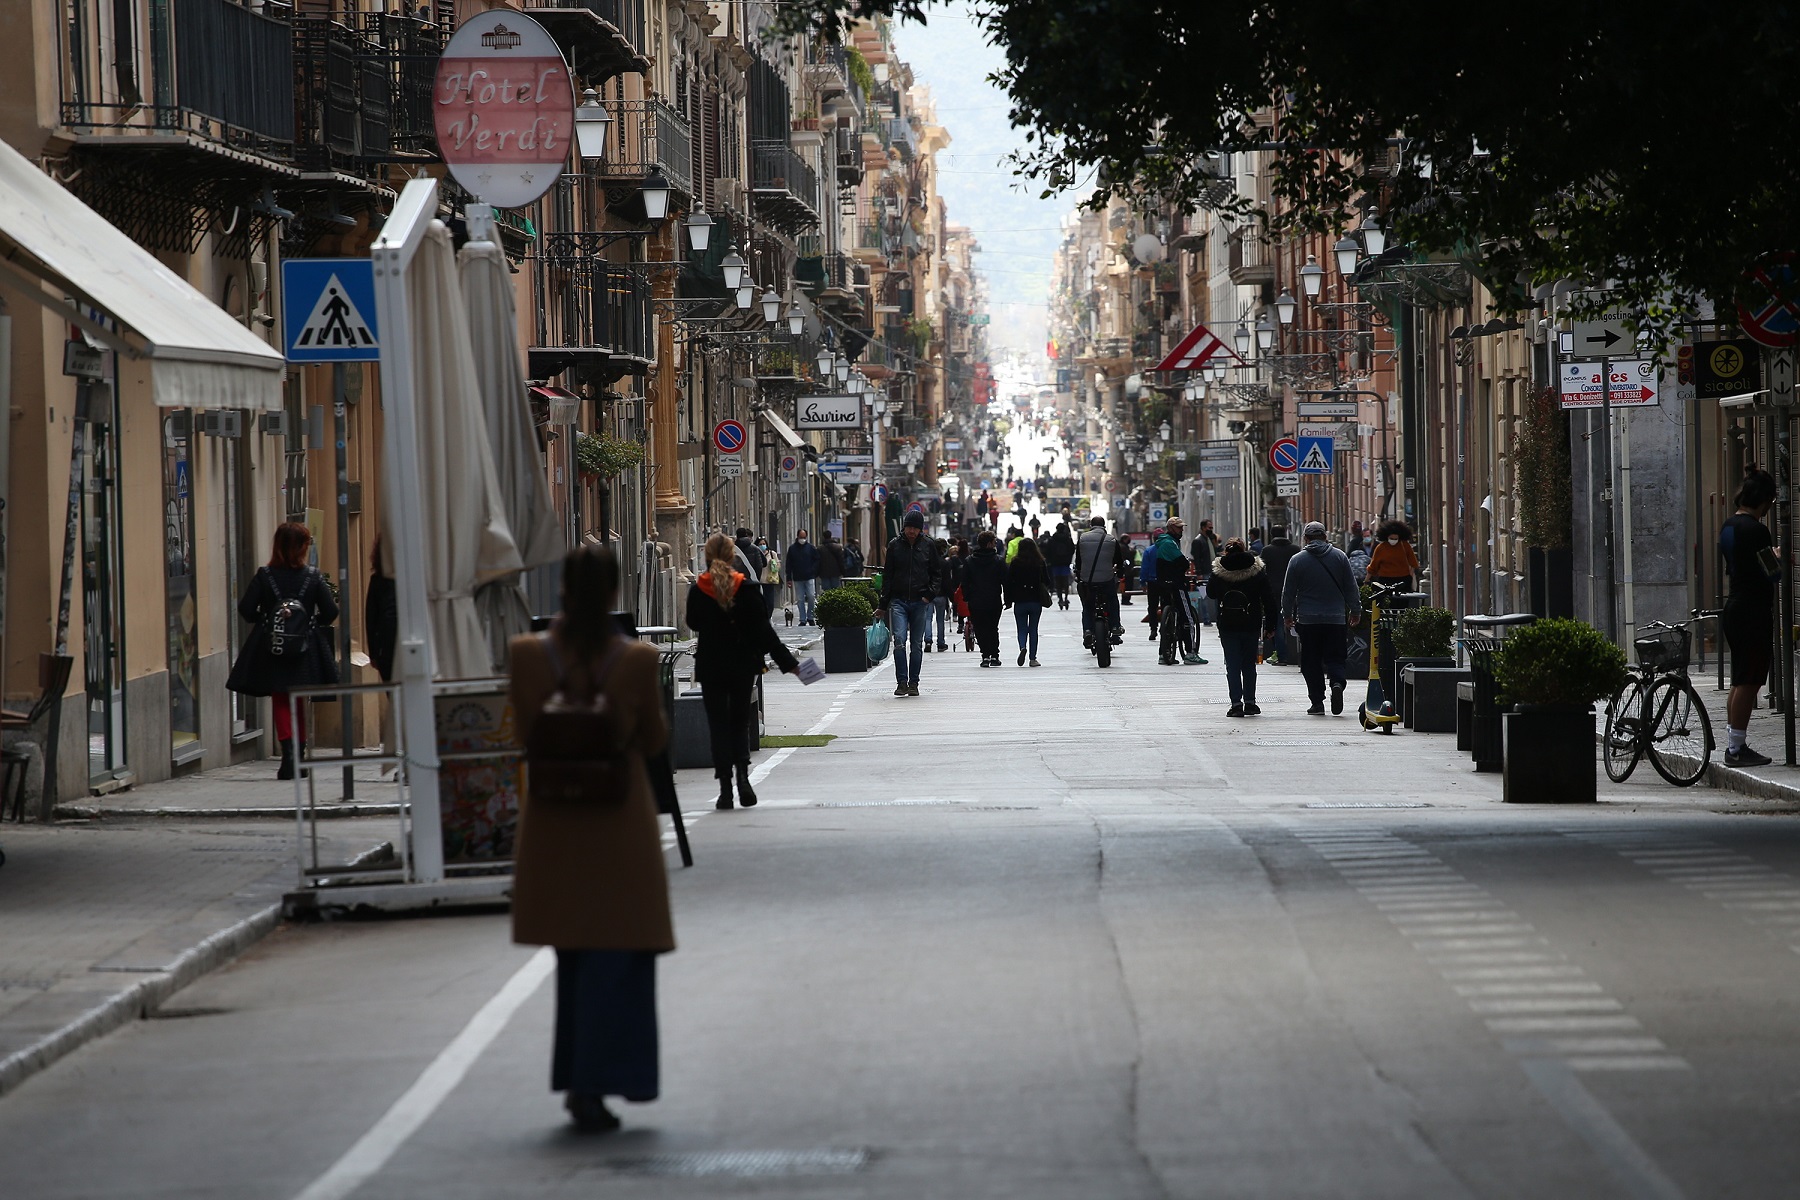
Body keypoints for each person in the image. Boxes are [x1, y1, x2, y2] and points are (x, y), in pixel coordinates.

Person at [507, 545, 672, 1134]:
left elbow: (526, 731)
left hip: (552, 822)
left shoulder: (526, 656)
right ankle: (599, 1082)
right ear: (612, 594)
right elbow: (654, 741)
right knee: (619, 957)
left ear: (561, 589)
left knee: (574, 956)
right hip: (617, 821)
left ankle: (578, 1078)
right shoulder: (636, 659)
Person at [686, 533, 798, 809]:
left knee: (718, 726)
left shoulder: (699, 588)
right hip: (743, 664)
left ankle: (725, 790)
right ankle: (744, 781)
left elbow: (693, 622)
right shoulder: (747, 588)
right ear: (732, 556)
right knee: (739, 724)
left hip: (711, 666)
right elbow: (764, 632)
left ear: (707, 556)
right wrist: (791, 664)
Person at [226, 522, 340, 780]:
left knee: (280, 699)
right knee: (299, 699)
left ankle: (287, 755)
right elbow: (331, 612)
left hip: (273, 647)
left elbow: (245, 609)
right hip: (304, 648)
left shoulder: (265, 575)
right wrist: (309, 625)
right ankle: (299, 755)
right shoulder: (312, 576)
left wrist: (268, 620)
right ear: (300, 547)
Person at [1720, 469, 1780, 768]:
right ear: (1764, 501)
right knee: (1751, 680)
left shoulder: (1728, 525)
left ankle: (1734, 743)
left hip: (1734, 606)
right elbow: (1773, 572)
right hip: (1753, 610)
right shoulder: (1757, 530)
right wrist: (1778, 557)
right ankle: (1736, 749)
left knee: (1740, 678)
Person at [1281, 521, 1363, 715]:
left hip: (1308, 620)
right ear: (1326, 537)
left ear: (1306, 539)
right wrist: (1356, 610)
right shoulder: (1340, 557)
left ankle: (1317, 702)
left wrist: (1287, 615)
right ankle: (1336, 683)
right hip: (1335, 619)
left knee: (1311, 661)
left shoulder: (1297, 560)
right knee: (1336, 657)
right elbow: (1351, 587)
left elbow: (1288, 592)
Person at [1207, 538, 1280, 717]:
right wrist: (1270, 625)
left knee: (1232, 665)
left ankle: (1236, 704)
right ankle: (1250, 702)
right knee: (1248, 664)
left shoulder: (1219, 570)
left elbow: (1210, 592)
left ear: (1226, 551)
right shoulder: (1256, 570)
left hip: (1227, 624)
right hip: (1251, 623)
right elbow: (1269, 599)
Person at [881, 510, 946, 695]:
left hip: (920, 601)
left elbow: (936, 573)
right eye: (909, 527)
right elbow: (888, 576)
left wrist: (929, 595)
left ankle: (913, 683)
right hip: (899, 601)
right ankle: (901, 682)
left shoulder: (928, 546)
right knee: (899, 641)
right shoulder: (894, 545)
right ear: (904, 527)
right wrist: (882, 605)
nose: (911, 531)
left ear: (920, 529)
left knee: (916, 644)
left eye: (915, 528)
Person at [1074, 516, 1124, 651]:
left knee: (1088, 606)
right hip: (1106, 579)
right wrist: (1120, 573)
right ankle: (1115, 626)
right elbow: (1119, 561)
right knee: (1112, 600)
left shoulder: (1082, 539)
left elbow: (1078, 561)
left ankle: (1088, 630)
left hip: (1088, 580)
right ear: (1104, 526)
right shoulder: (1111, 539)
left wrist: (1079, 575)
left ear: (1091, 525)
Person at [1005, 533, 1051, 667]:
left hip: (1020, 600)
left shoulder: (1015, 562)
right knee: (1034, 629)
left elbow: (1008, 582)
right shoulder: (1040, 562)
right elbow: (1047, 581)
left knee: (1021, 628)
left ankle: (1022, 647)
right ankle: (1032, 658)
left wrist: (1008, 600)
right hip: (1035, 599)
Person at [962, 529, 1006, 666]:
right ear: (989, 544)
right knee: (993, 627)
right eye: (994, 542)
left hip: (976, 601)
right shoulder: (998, 561)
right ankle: (994, 655)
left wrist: (967, 597)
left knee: (980, 628)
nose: (995, 545)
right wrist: (1009, 599)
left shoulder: (969, 561)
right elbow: (1006, 580)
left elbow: (965, 582)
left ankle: (985, 655)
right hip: (994, 600)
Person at [1259, 525, 1301, 665]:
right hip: (1294, 590)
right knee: (1297, 621)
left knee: (1278, 623)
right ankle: (1300, 654)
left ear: (1272, 535)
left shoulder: (1267, 551)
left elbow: (1261, 571)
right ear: (1285, 533)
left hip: (1274, 592)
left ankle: (1282, 656)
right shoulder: (1295, 550)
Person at [1364, 520, 1420, 589]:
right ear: (1387, 537)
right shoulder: (1381, 548)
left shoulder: (1405, 546)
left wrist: (1411, 575)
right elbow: (1373, 567)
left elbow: (1413, 563)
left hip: (1403, 581)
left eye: (1396, 539)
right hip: (1385, 581)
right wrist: (1366, 581)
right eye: (1391, 538)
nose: (1393, 540)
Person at [785, 530, 822, 625]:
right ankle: (802, 619)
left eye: (804, 537)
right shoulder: (792, 549)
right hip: (797, 577)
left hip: (809, 576)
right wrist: (789, 578)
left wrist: (813, 570)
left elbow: (817, 560)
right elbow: (788, 564)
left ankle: (810, 616)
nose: (802, 539)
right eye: (801, 537)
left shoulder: (811, 548)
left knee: (811, 596)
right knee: (800, 599)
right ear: (797, 536)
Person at [733, 529, 770, 614]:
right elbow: (762, 563)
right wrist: (756, 578)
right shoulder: (754, 548)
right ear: (746, 535)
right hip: (752, 581)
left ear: (737, 536)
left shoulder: (733, 549)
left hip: (737, 583)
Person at [928, 537, 952, 653]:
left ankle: (927, 640)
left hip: (928, 594)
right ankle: (941, 643)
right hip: (941, 594)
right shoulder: (945, 563)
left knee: (927, 619)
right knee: (940, 620)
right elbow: (947, 581)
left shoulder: (927, 561)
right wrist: (951, 596)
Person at [1045, 522, 1076, 609]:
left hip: (1055, 564)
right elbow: (1072, 550)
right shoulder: (1068, 539)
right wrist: (1068, 558)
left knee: (1057, 581)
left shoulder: (1052, 539)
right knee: (1065, 581)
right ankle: (1066, 598)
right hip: (1065, 563)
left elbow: (1048, 551)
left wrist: (1050, 560)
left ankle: (1060, 599)